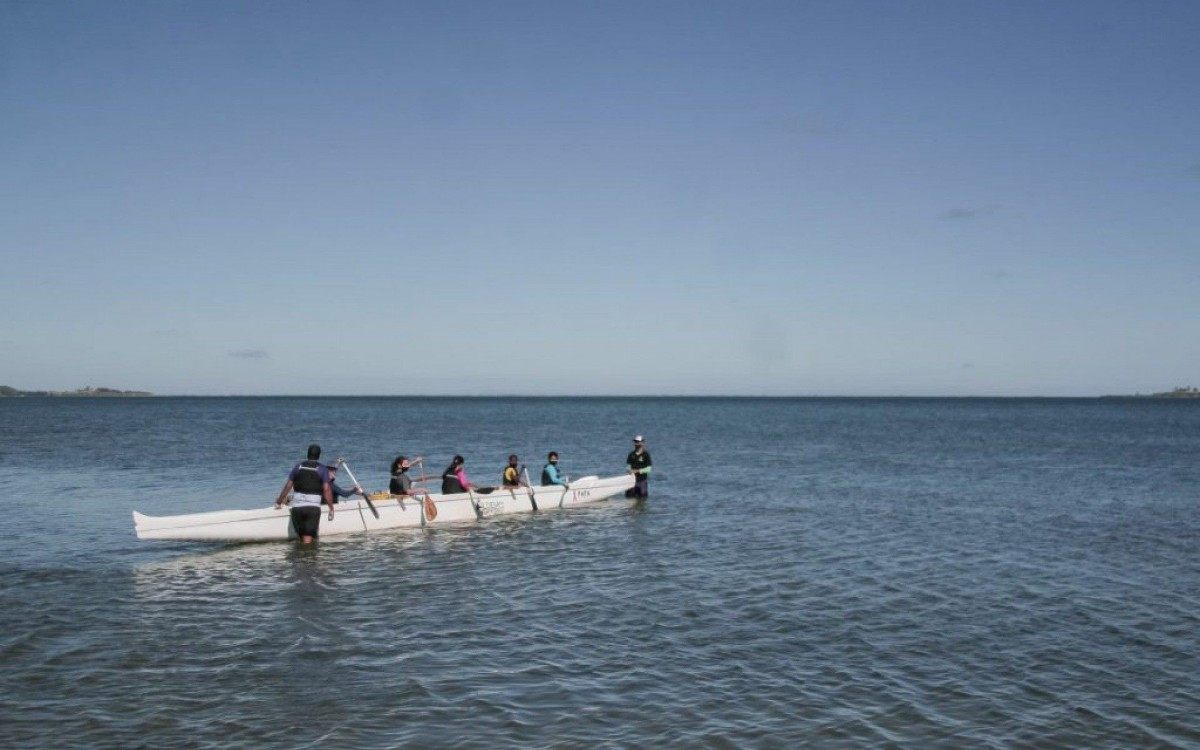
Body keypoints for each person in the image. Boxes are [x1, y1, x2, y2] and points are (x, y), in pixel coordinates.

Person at [275, 444, 335, 543]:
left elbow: (288, 486)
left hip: (297, 507)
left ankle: (301, 556)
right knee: (308, 539)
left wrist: (279, 502)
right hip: (312, 507)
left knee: (301, 537)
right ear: (319, 456)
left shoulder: (298, 467)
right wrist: (331, 508)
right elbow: (326, 489)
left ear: (307, 454)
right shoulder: (322, 469)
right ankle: (307, 557)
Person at [625, 435, 652, 500]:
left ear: (642, 443)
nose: (636, 443)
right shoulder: (631, 454)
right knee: (629, 499)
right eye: (635, 442)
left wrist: (637, 471)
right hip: (631, 481)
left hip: (642, 481)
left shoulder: (646, 454)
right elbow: (628, 466)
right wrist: (629, 470)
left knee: (642, 500)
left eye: (638, 442)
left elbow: (649, 469)